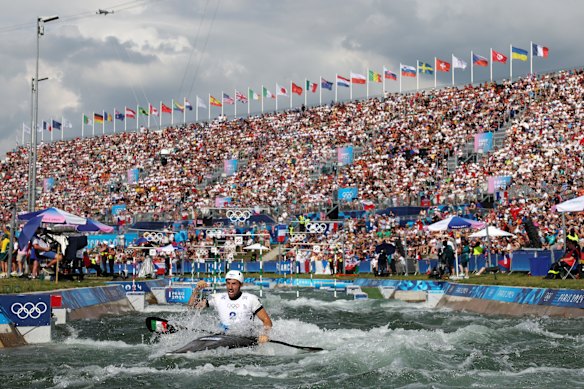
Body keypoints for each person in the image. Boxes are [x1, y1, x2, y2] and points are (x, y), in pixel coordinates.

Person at [189, 270, 272, 343]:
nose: (230, 287)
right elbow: (191, 306)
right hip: (224, 335)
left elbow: (267, 321)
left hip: (245, 338)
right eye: (228, 283)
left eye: (234, 284)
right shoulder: (218, 298)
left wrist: (264, 334)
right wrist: (197, 290)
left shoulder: (251, 299)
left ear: (241, 285)